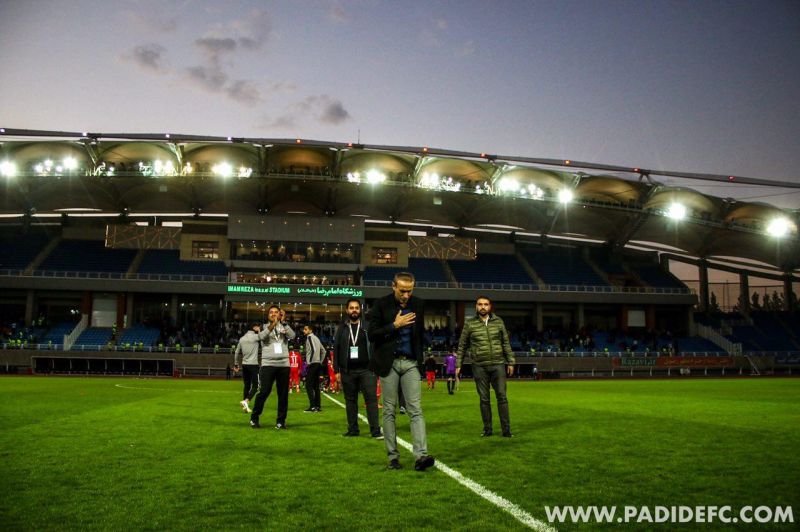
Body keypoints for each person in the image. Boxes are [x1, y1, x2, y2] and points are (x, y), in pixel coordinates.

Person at [367, 272, 435, 471]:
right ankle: (393, 458)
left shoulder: (419, 304)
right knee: (389, 411)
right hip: (389, 363)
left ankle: (421, 456)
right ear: (393, 286)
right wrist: (394, 325)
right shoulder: (381, 304)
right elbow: (372, 334)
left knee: (415, 409)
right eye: (402, 291)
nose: (406, 295)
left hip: (411, 363)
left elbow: (419, 333)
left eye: (410, 291)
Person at [456, 296, 515, 437]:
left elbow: (505, 343)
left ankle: (506, 431)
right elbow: (462, 345)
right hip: (479, 366)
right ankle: (487, 430)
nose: (483, 307)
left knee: (502, 397)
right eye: (480, 304)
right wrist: (458, 364)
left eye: (486, 304)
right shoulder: (470, 324)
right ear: (476, 307)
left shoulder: (499, 321)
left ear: (490, 307)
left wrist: (511, 361)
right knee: (484, 399)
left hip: (498, 364)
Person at [333, 298, 381, 438]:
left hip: (367, 370)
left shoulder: (367, 326)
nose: (354, 310)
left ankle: (375, 430)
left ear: (360, 310)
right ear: (347, 310)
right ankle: (353, 430)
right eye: (351, 308)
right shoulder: (342, 328)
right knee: (350, 401)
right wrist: (337, 370)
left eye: (356, 308)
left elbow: (376, 346)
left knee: (371, 400)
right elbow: (336, 349)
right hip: (347, 371)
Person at [250, 306, 295, 429]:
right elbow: (261, 337)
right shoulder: (263, 327)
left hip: (283, 365)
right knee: (264, 391)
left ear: (280, 314)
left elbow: (293, 336)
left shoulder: (284, 326)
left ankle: (281, 421)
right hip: (268, 364)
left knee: (283, 394)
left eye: (276, 312)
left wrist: (284, 322)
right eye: (271, 312)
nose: (274, 314)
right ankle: (254, 417)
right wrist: (273, 325)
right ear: (268, 315)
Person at [233, 322, 264, 414]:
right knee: (256, 386)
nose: (259, 328)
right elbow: (263, 343)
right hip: (253, 364)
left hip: (244, 364)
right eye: (258, 326)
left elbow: (236, 352)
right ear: (254, 327)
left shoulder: (242, 339)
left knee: (247, 385)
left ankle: (245, 407)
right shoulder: (255, 337)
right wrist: (259, 332)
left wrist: (236, 364)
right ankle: (246, 401)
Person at [303, 324, 326, 412]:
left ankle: (312, 406)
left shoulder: (309, 338)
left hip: (312, 364)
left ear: (310, 330)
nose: (304, 331)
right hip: (317, 364)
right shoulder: (317, 338)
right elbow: (323, 351)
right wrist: (320, 361)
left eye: (305, 329)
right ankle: (318, 406)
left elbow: (313, 350)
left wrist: (309, 362)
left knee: (308, 385)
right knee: (316, 386)